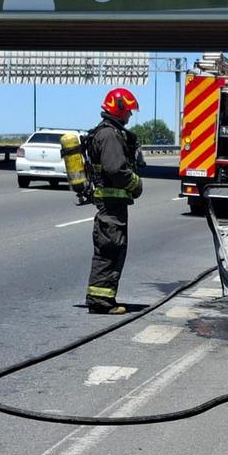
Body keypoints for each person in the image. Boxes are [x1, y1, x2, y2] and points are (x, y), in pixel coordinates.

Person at [85, 88, 143, 314]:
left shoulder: (108, 132)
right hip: (111, 206)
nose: (129, 116)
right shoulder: (109, 135)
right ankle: (100, 301)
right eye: (128, 111)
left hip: (112, 206)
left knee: (112, 249)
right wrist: (136, 184)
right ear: (118, 109)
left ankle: (104, 298)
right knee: (110, 249)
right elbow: (116, 170)